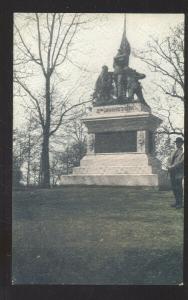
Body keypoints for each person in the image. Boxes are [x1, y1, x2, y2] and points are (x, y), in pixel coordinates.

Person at [168, 137, 184, 209]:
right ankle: (176, 202)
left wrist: (172, 166)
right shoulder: (174, 151)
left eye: (179, 142)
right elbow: (170, 159)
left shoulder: (183, 152)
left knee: (179, 188)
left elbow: (181, 162)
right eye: (177, 142)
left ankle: (180, 203)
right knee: (174, 187)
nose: (178, 143)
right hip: (172, 172)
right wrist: (168, 165)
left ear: (182, 143)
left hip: (178, 172)